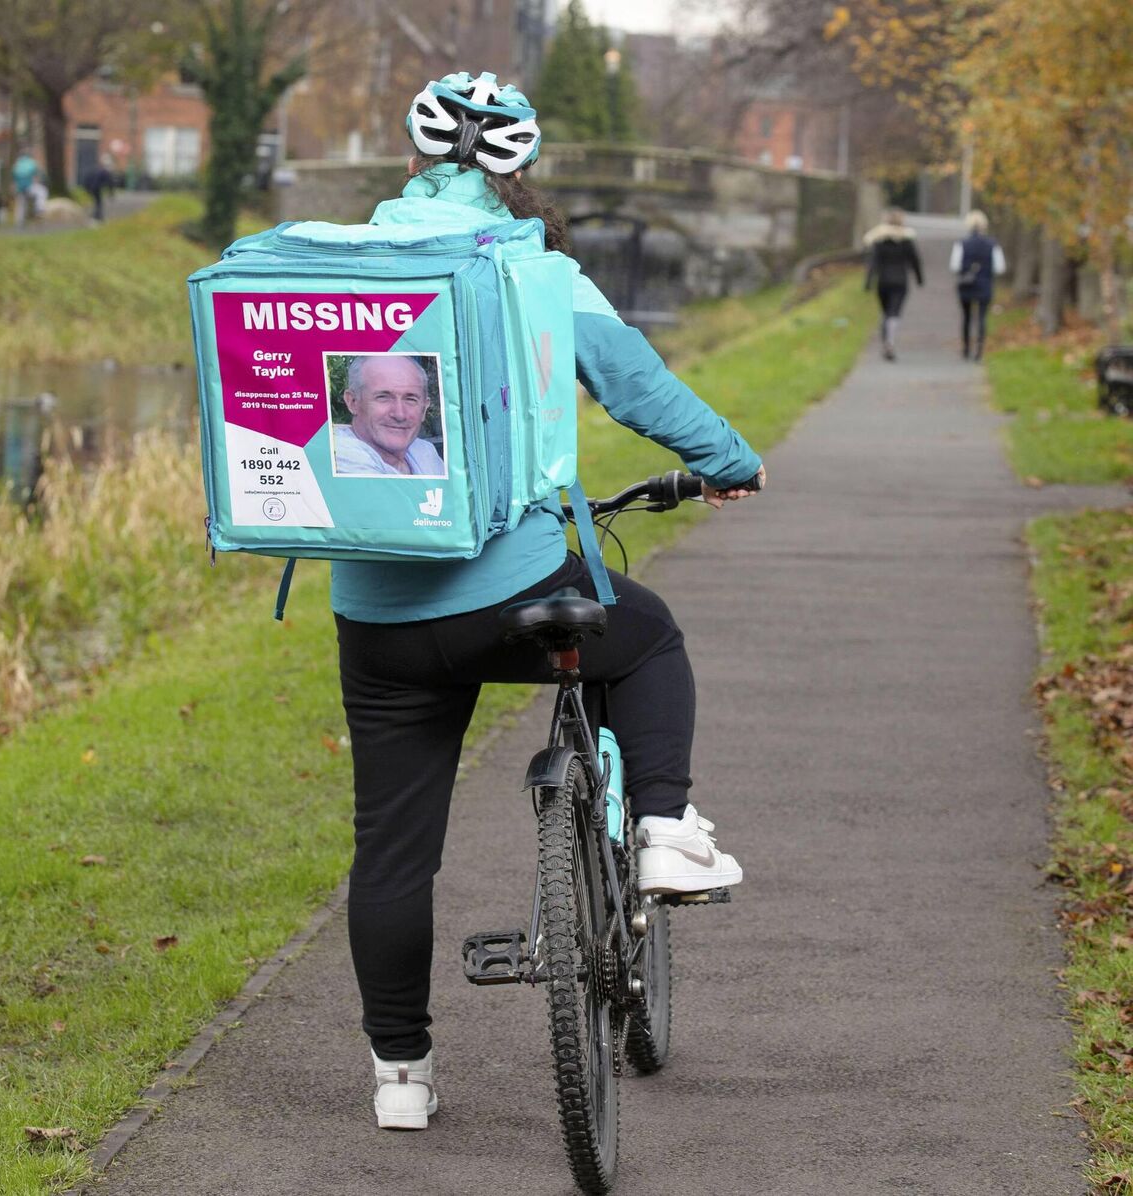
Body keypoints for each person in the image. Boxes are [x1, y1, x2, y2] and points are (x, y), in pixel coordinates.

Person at [331, 70, 766, 1130]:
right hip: (511, 593)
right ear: (518, 168)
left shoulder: (339, 266)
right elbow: (636, 384)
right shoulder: (536, 270)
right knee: (647, 638)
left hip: (379, 612)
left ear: (412, 161)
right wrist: (728, 459)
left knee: (392, 848)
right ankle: (661, 826)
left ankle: (400, 1077)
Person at [332, 354, 446, 476]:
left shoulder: (425, 452)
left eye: (410, 399)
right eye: (383, 397)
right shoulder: (341, 456)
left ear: (424, 409)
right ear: (353, 402)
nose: (399, 414)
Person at [864, 208, 924, 361]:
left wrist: (868, 282)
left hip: (883, 281)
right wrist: (919, 279)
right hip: (900, 281)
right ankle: (889, 341)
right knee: (894, 312)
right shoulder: (906, 241)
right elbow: (915, 261)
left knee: (886, 312)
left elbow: (873, 262)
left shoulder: (880, 241)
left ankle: (886, 341)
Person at [951, 210, 1006, 361]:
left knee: (967, 317)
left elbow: (955, 265)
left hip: (966, 284)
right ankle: (979, 349)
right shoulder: (992, 244)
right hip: (985, 284)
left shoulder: (962, 243)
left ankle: (966, 348)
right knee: (982, 317)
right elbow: (999, 267)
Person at [84, 153, 116, 222]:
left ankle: (96, 215)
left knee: (97, 201)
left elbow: (87, 179)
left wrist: (87, 189)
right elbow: (110, 183)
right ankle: (97, 216)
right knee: (99, 202)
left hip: (91, 188)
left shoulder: (95, 170)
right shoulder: (105, 172)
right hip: (96, 188)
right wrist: (111, 193)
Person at [12, 151, 38, 226]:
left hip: (20, 187)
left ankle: (20, 221)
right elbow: (35, 175)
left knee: (21, 204)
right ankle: (37, 213)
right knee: (37, 197)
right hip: (29, 186)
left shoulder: (17, 164)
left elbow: (14, 177)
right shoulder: (31, 163)